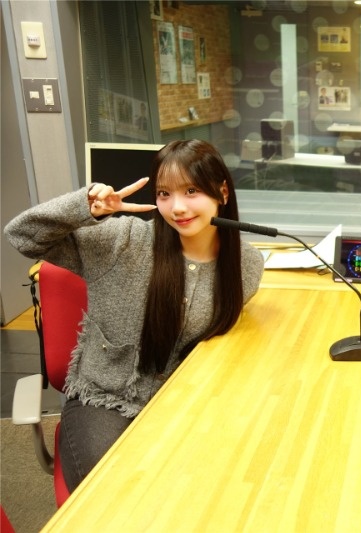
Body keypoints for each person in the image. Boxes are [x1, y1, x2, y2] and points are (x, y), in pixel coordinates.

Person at [4, 139, 265, 491]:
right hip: (104, 399)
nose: (177, 208)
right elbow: (21, 235)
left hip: (180, 400)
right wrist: (85, 208)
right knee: (113, 489)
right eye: (164, 194)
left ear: (222, 191)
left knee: (215, 483)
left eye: (191, 191)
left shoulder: (246, 266)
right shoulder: (123, 240)